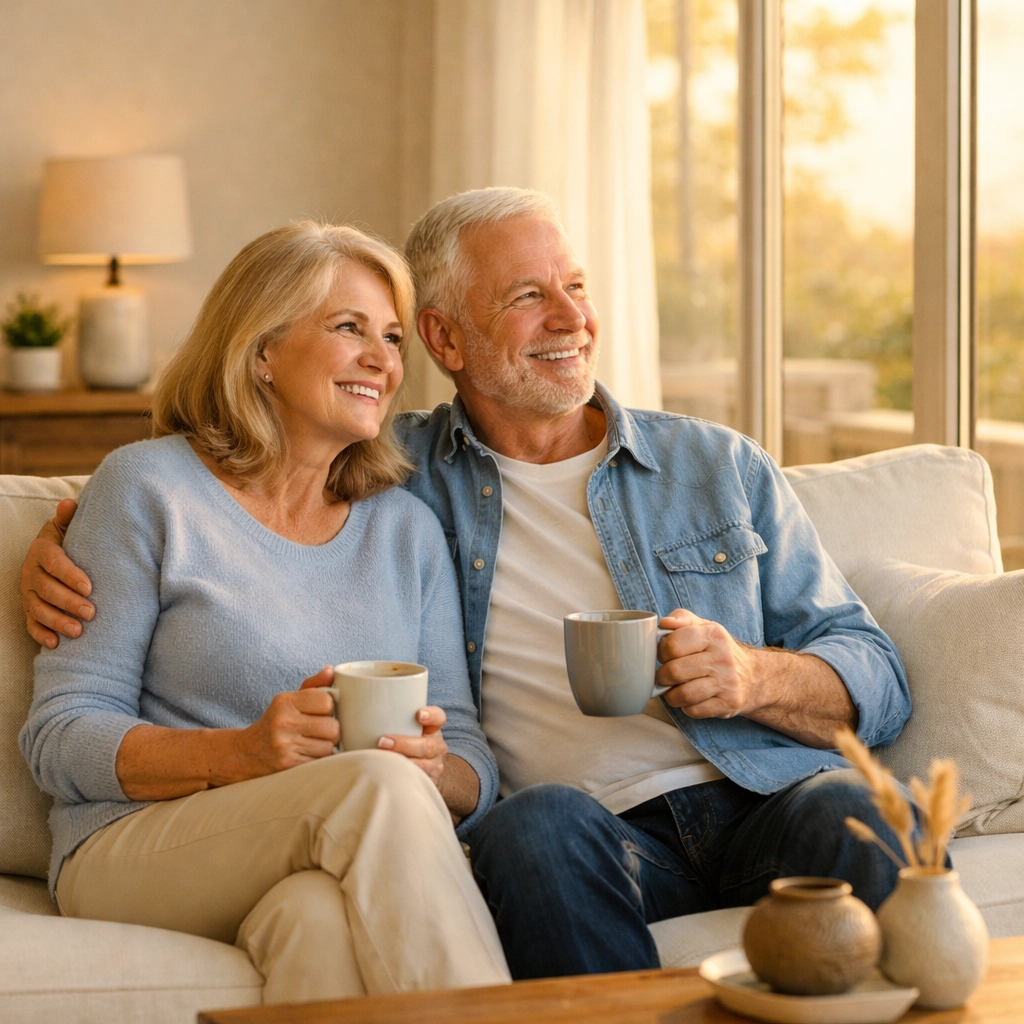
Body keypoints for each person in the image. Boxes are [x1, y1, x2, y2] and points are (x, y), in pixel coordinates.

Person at [22, 189, 913, 982]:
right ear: (451, 340)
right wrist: (57, 532)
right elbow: (217, 493)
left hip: (763, 798)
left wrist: (755, 677)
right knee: (522, 824)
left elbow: (878, 674)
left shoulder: (708, 467)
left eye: (576, 285)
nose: (571, 316)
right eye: (528, 295)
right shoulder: (409, 477)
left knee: (861, 804)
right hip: (581, 831)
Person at [17, 221, 510, 1003]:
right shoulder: (149, 489)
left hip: (306, 853)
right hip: (130, 844)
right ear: (260, 352)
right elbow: (59, 737)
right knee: (375, 787)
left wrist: (436, 770)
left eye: (390, 337)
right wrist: (240, 753)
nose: (383, 360)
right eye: (348, 328)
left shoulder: (405, 529)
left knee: (317, 922)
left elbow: (472, 761)